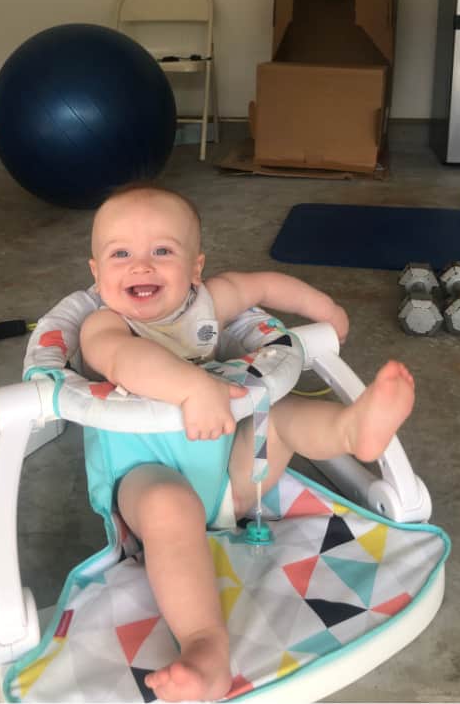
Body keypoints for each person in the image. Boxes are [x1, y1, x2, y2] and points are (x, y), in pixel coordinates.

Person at [80, 184, 415, 703]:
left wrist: (322, 307)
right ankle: (205, 647)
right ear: (97, 273)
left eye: (162, 251)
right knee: (170, 505)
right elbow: (126, 362)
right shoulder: (103, 324)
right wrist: (194, 388)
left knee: (278, 419)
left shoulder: (208, 302)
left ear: (195, 268)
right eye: (120, 254)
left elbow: (262, 285)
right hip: (143, 480)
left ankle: (352, 431)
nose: (141, 266)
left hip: (232, 480)